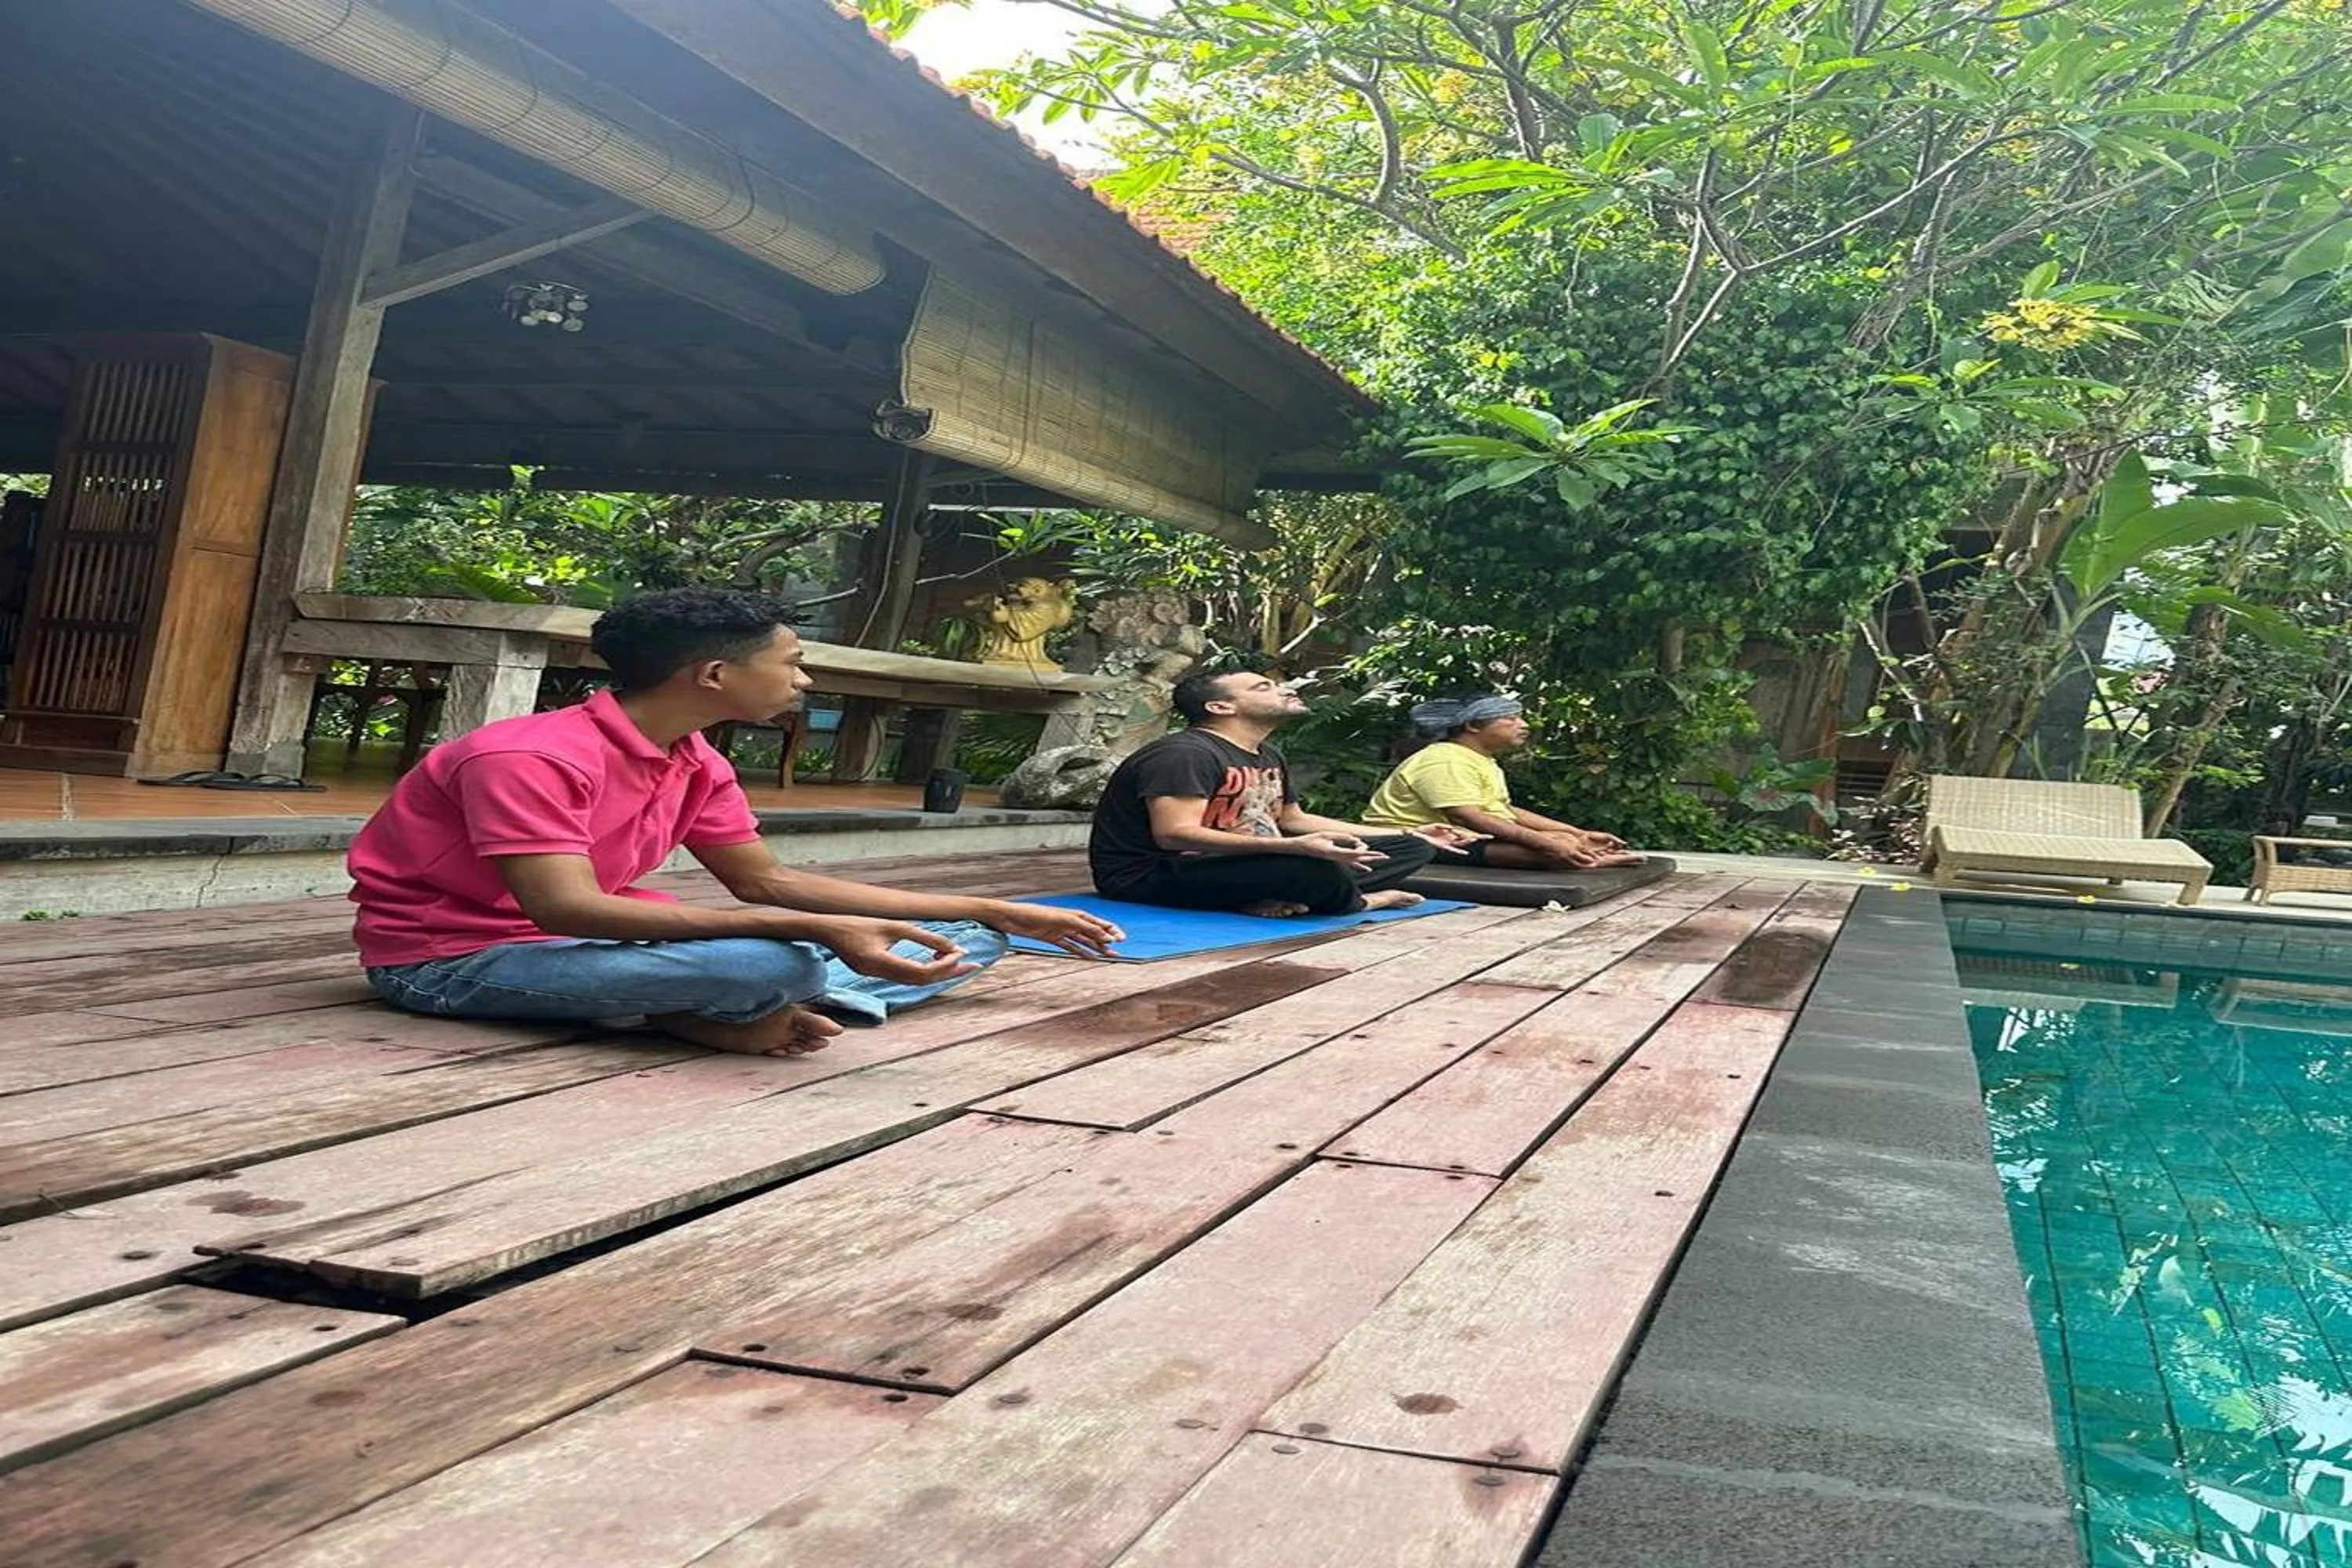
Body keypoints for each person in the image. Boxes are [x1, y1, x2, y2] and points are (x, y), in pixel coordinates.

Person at [347, 586, 1123, 1058]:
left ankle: (724, 1006)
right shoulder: (530, 756)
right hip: (449, 961)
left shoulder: (693, 758)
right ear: (715, 674)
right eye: (791, 661)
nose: (803, 678)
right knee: (774, 964)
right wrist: (812, 934)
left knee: (966, 941)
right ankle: (724, 1005)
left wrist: (989, 906)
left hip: (600, 946)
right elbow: (565, 907)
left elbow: (767, 878)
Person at [1088, 668, 1479, 917]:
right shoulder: (1185, 753)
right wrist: (1296, 848)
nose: (1285, 690)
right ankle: (1359, 901)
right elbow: (1174, 835)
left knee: (1415, 850)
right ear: (1221, 706)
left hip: (1243, 864)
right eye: (1264, 687)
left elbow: (1293, 820)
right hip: (1153, 874)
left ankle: (1284, 894)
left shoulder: (1267, 753)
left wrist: (1408, 833)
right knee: (1312, 867)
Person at [1362, 695, 1646, 871]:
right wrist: (1547, 844)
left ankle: (1580, 852)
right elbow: (1467, 816)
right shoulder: (1446, 759)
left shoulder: (1480, 759)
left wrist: (1577, 833)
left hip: (1461, 838)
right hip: (1412, 842)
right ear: (1473, 726)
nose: (1524, 725)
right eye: (1510, 719)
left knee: (1563, 840)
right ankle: (1587, 860)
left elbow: (1505, 810)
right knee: (1547, 847)